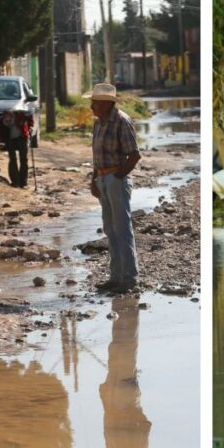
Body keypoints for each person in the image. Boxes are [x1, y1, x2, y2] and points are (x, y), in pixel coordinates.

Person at [85, 83, 140, 293]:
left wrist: (118, 176)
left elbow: (134, 155)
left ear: (107, 104)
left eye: (95, 103)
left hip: (116, 178)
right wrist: (94, 180)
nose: (91, 107)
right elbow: (96, 156)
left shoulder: (121, 121)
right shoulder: (98, 124)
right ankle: (115, 277)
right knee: (110, 229)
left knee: (122, 228)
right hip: (103, 178)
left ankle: (129, 278)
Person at [0, 105, 34, 188]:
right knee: (12, 159)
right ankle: (15, 182)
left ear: (13, 116)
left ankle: (23, 182)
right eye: (6, 121)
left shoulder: (20, 115)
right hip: (10, 140)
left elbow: (29, 117)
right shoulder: (0, 123)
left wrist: (30, 126)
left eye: (10, 120)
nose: (8, 122)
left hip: (22, 138)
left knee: (24, 159)